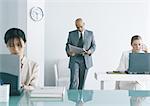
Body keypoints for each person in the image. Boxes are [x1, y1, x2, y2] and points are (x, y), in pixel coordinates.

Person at [116, 35, 148, 106]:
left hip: (139, 82)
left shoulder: (144, 54)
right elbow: (121, 69)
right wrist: (128, 71)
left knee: (138, 87)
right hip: (127, 82)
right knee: (136, 88)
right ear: (131, 45)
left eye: (139, 44)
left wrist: (147, 52)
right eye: (135, 44)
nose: (137, 47)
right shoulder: (125, 54)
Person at [65, 18, 96, 89]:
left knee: (82, 82)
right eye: (77, 27)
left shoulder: (90, 34)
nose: (79, 28)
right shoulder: (71, 34)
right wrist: (69, 52)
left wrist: (90, 51)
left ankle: (80, 99)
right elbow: (67, 45)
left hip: (85, 60)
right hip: (74, 59)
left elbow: (94, 46)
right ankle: (72, 99)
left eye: (81, 26)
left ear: (84, 24)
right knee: (74, 81)